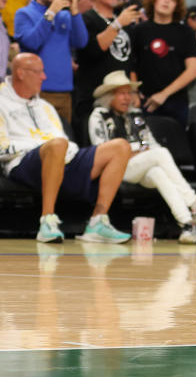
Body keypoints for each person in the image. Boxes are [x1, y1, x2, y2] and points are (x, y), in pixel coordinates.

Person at [0, 53, 131, 244]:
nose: (44, 77)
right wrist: (45, 147)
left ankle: (98, 222)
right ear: (20, 73)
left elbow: (62, 139)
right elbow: (2, 148)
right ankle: (47, 221)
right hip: (22, 163)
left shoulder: (44, 106)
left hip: (62, 157)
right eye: (39, 72)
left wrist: (63, 151)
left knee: (120, 147)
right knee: (58, 145)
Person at [88, 71, 196, 243]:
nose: (127, 98)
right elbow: (101, 148)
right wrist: (137, 150)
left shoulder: (136, 115)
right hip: (115, 170)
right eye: (121, 93)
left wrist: (138, 151)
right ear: (109, 96)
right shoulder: (99, 115)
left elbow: (151, 144)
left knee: (158, 173)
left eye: (129, 93)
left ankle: (187, 224)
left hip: (140, 166)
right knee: (160, 154)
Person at [14, 0, 88, 123]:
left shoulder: (65, 16)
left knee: (64, 140)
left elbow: (81, 42)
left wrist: (74, 10)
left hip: (65, 92)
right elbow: (32, 43)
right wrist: (51, 12)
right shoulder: (23, 14)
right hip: (36, 92)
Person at [74, 0, 140, 133]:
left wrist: (134, 92)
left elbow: (130, 61)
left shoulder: (123, 21)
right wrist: (117, 24)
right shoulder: (85, 19)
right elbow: (92, 50)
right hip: (94, 97)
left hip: (123, 98)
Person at [128, 0, 196, 127]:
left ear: (176, 6)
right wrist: (134, 93)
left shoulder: (185, 32)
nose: (167, 1)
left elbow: (192, 71)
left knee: (177, 145)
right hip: (145, 101)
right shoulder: (138, 31)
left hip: (176, 101)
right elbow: (131, 66)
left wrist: (164, 94)